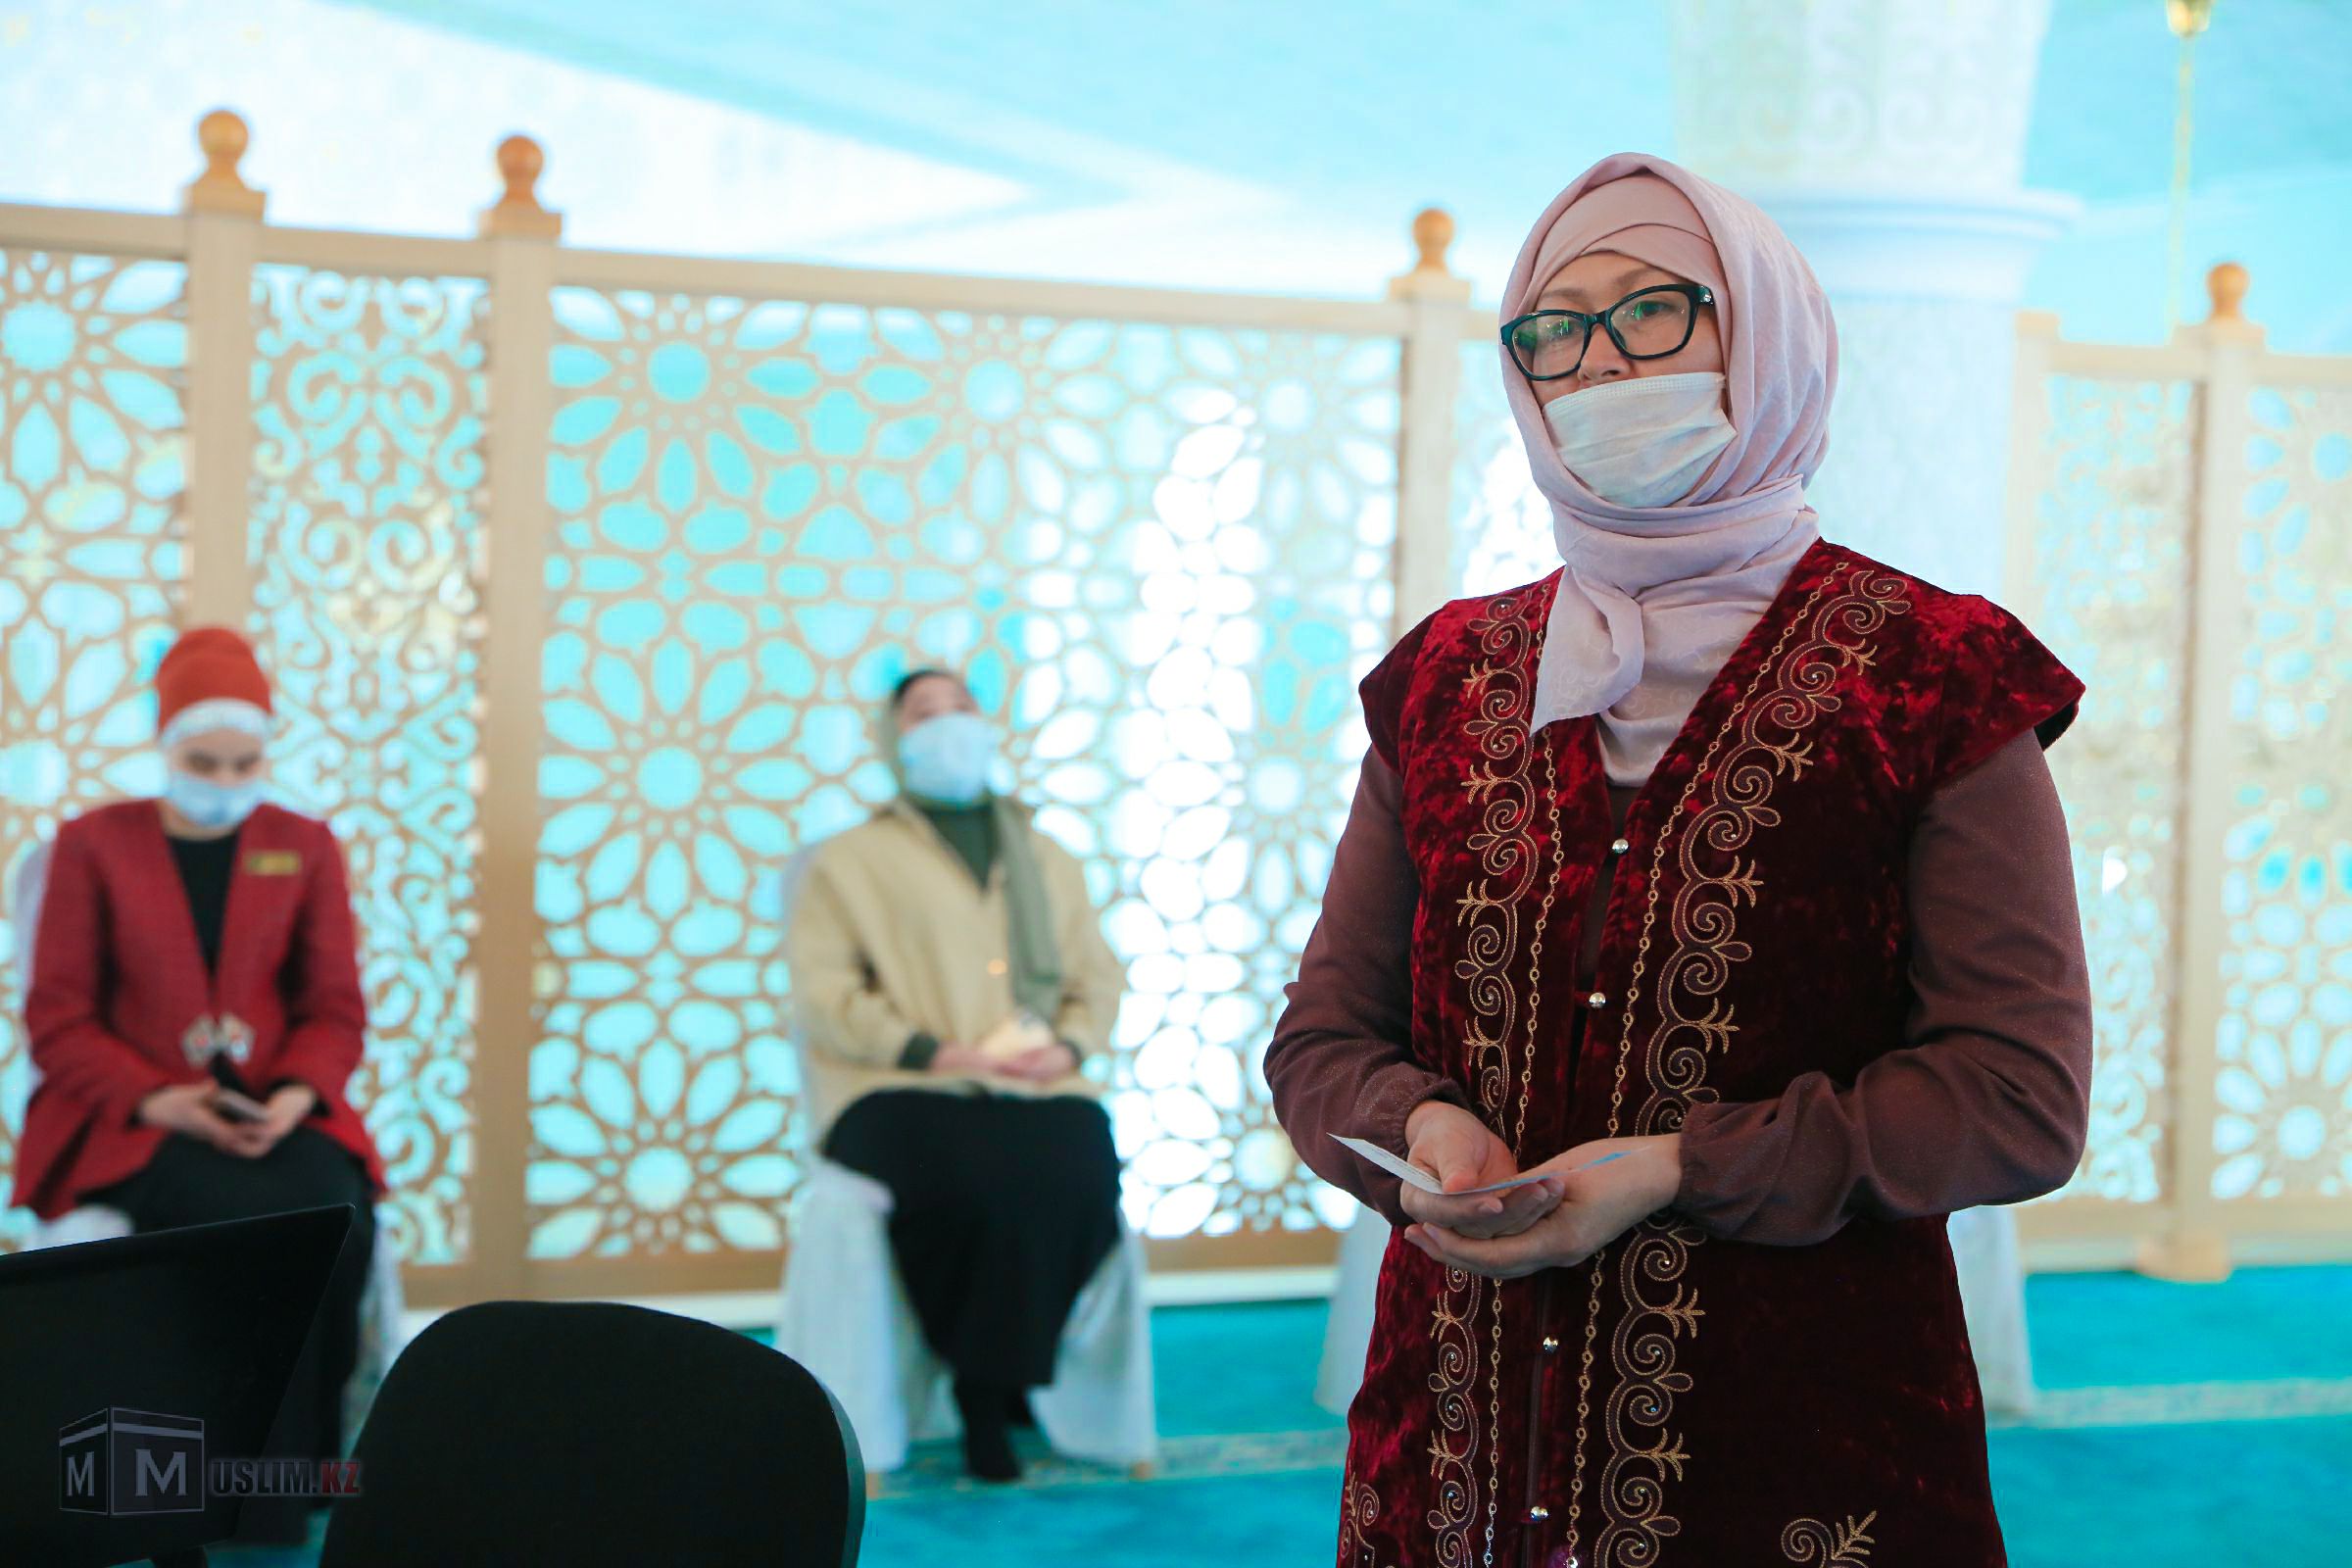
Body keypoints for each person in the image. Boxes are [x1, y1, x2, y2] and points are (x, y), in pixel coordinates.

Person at [1266, 154, 2093, 1567]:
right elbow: (1323, 1041)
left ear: (1762, 334)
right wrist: (1421, 1132)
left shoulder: (1937, 673)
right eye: (1554, 327)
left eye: (1652, 310)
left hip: (1797, 1451)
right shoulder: (1447, 675)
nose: (1597, 363)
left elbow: (2017, 1098)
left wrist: (1680, 1168)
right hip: (1453, 1461)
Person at [14, 627, 385, 1546]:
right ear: (165, 746)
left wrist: (295, 1096)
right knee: (235, 1228)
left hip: (276, 1112)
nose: (224, 781)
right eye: (203, 762)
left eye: (245, 763)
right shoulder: (92, 845)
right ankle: (209, 1492)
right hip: (137, 1119)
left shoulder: (303, 845)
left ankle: (296, 1478)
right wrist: (162, 1100)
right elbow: (59, 1018)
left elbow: (334, 1007)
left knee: (335, 1217)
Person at [784, 667, 1127, 1482]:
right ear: (893, 738)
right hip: (898, 1086)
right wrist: (929, 1052)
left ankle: (1005, 1368)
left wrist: (1069, 1046)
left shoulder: (1045, 855)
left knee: (1082, 1165)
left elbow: (1096, 975)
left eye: (960, 707)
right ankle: (983, 1389)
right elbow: (825, 992)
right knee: (969, 1179)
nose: (947, 725)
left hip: (1035, 1082)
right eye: (923, 713)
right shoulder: (849, 862)